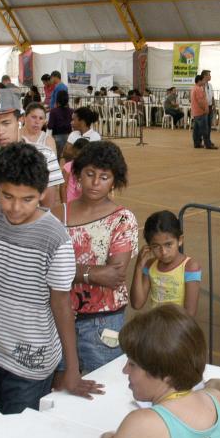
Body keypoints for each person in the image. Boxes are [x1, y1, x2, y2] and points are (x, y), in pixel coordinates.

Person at [0, 142, 103, 413]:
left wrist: (71, 368)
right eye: (7, 196)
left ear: (42, 193)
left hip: (31, 362)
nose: (15, 208)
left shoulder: (54, 238)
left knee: (18, 432)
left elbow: (62, 304)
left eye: (27, 199)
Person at [78, 305, 220, 438]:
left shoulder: (143, 426)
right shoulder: (216, 402)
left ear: (166, 375)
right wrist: (214, 384)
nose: (125, 371)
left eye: (133, 365)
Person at [50, 141, 138, 373]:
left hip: (103, 320)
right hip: (57, 314)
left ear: (115, 181)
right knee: (58, 386)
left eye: (104, 177)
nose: (95, 182)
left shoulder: (122, 219)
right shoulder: (58, 214)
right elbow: (42, 266)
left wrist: (63, 270)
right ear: (78, 174)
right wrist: (91, 273)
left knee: (103, 386)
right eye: (89, 174)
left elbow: (114, 275)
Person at [0, 107, 63, 211]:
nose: (0, 131)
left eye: (6, 123)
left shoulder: (46, 155)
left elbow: (48, 210)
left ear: (20, 120)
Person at [130, 211, 202, 317]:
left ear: (180, 240)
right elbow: (137, 304)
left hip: (178, 330)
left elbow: (190, 313)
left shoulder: (189, 267)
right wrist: (138, 267)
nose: (163, 252)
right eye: (156, 246)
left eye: (168, 244)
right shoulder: (150, 266)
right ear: (149, 246)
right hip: (156, 327)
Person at [191, 74, 216, 149]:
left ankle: (197, 143)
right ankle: (207, 144)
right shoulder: (198, 89)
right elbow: (200, 101)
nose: (204, 82)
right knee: (205, 129)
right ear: (199, 81)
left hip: (195, 112)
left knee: (196, 130)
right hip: (201, 112)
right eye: (202, 80)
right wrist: (205, 109)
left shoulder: (193, 88)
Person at [60, 137, 89, 203]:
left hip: (85, 203)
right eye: (75, 154)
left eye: (81, 155)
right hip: (70, 202)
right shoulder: (68, 167)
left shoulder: (90, 168)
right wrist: (64, 204)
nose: (76, 157)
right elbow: (63, 187)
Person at [48, 90, 73, 157]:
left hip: (57, 137)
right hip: (69, 137)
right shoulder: (71, 111)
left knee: (57, 157)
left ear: (57, 99)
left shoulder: (53, 111)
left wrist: (45, 123)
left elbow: (50, 126)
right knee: (66, 157)